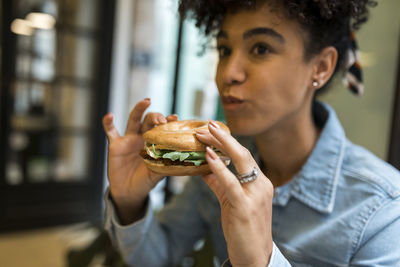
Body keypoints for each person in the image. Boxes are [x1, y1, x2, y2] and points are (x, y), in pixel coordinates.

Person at [102, 0, 400, 266]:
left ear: (320, 67)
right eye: (224, 50)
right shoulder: (216, 163)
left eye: (261, 48)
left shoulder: (384, 210)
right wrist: (129, 203)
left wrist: (261, 261)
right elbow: (159, 255)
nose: (228, 72)